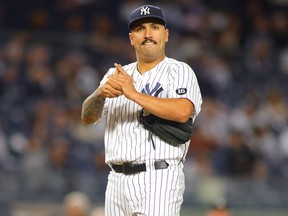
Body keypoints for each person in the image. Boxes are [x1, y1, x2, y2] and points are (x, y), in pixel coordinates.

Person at [81, 4, 202, 216]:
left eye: (154, 27)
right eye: (140, 29)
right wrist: (100, 94)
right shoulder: (115, 74)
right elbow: (87, 117)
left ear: (165, 35)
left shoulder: (179, 70)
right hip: (116, 179)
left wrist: (133, 93)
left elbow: (183, 111)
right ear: (131, 38)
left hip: (158, 176)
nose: (147, 34)